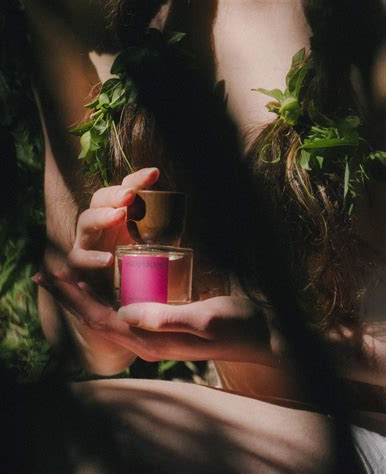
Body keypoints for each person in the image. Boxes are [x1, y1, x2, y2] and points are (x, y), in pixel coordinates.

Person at [26, 0, 385, 471]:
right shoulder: (81, 17)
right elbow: (75, 334)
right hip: (263, 426)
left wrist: (268, 338)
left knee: (89, 430)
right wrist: (99, 319)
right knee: (46, 431)